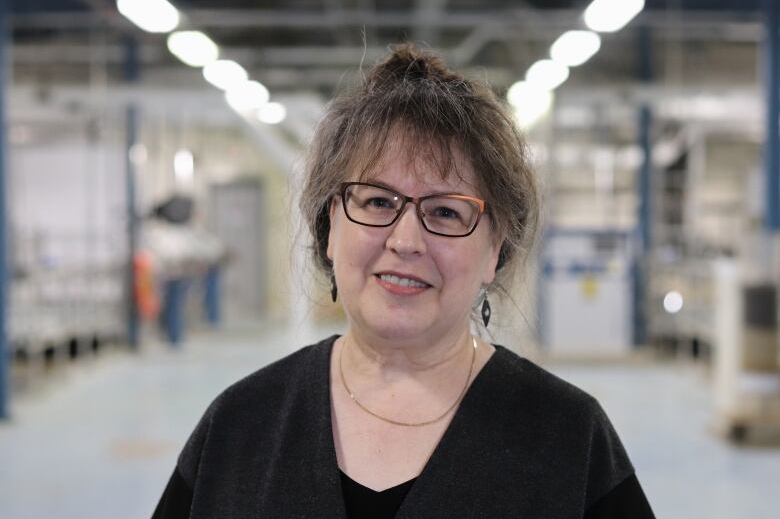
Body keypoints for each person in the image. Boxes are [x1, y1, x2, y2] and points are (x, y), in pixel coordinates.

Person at [153, 44, 655, 518]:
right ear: (331, 229)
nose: (406, 239)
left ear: (493, 251)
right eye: (377, 202)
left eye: (445, 211)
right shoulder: (240, 426)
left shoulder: (569, 438)